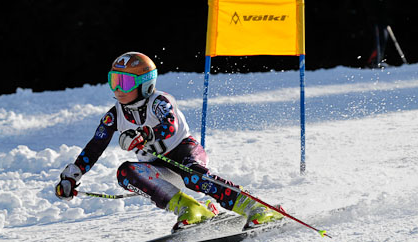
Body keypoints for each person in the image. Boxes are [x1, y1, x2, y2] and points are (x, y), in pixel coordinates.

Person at [55, 51, 283, 230]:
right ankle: (192, 210)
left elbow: (169, 124)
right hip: (158, 166)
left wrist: (145, 134)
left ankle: (256, 207)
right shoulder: (115, 114)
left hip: (183, 152)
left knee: (194, 175)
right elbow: (96, 145)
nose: (117, 90)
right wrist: (73, 174)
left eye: (124, 83)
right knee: (125, 173)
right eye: (113, 81)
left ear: (144, 84)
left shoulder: (158, 101)